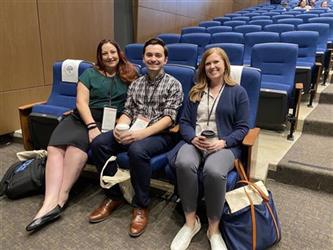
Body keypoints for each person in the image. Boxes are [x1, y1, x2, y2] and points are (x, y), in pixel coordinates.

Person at [25, 39, 138, 232]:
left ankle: (61, 198)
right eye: (104, 53)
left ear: (119, 53)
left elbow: (135, 103)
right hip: (83, 118)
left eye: (113, 52)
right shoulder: (89, 74)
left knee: (75, 149)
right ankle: (48, 202)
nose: (109, 56)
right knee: (55, 147)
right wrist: (91, 126)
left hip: (109, 121)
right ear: (99, 56)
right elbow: (81, 103)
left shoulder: (130, 73)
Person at [88, 38, 183, 237]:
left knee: (137, 150)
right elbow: (128, 111)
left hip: (160, 134)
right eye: (149, 55)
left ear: (165, 59)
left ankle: (141, 205)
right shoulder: (136, 83)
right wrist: (119, 127)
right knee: (99, 143)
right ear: (143, 58)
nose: (153, 59)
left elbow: (169, 118)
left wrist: (140, 134)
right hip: (133, 130)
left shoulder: (174, 85)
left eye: (158, 55)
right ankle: (114, 195)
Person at [170, 48, 249, 250]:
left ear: (225, 65)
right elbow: (185, 122)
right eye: (208, 63)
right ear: (203, 67)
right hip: (195, 142)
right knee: (183, 162)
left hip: (224, 145)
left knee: (213, 171)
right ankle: (191, 223)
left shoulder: (238, 92)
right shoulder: (195, 91)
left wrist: (223, 142)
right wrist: (192, 138)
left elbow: (243, 128)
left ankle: (213, 229)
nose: (212, 67)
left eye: (216, 62)